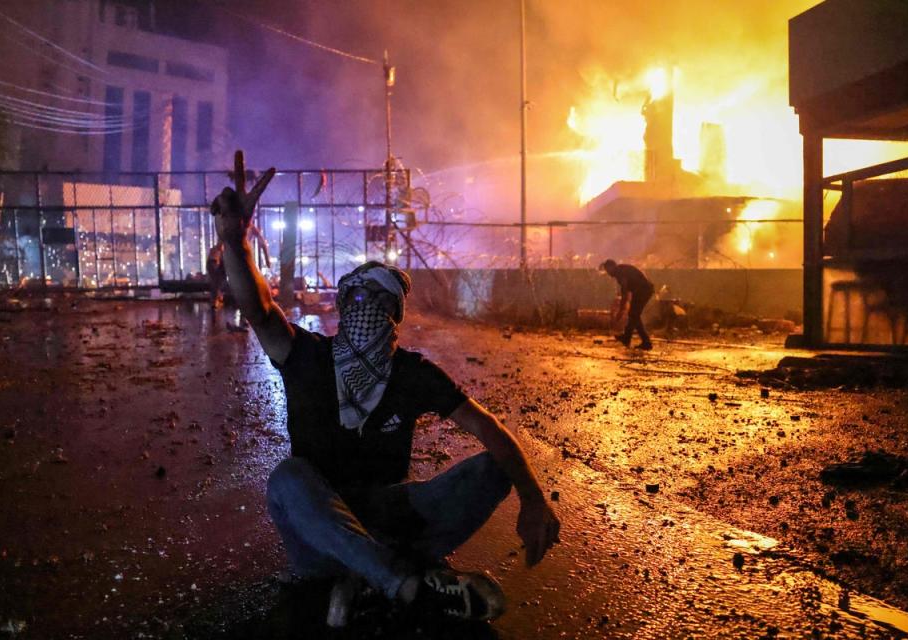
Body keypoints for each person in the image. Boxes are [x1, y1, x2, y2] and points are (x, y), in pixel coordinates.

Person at [210, 151, 560, 627]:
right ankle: (408, 583)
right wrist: (236, 243)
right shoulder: (306, 355)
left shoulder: (411, 373)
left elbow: (489, 428)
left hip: (393, 520)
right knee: (288, 478)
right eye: (356, 296)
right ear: (342, 305)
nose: (366, 308)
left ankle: (370, 580)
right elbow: (260, 309)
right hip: (321, 536)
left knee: (496, 467)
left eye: (380, 300)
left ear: (396, 316)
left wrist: (533, 498)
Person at [601, 258, 655, 350]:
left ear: (612, 267)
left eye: (607, 269)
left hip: (643, 291)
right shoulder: (621, 270)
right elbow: (626, 291)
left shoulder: (619, 272)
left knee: (634, 315)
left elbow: (625, 292)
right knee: (634, 315)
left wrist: (621, 311)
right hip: (642, 290)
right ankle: (629, 338)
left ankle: (643, 342)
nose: (607, 273)